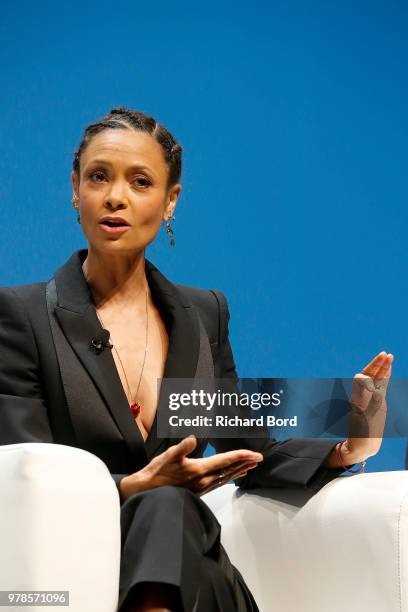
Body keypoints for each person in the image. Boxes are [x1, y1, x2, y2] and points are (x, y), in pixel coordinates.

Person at [0, 107, 393, 612]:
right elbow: (23, 474)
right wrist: (133, 487)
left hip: (196, 577)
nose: (116, 196)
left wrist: (348, 446)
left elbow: (251, 449)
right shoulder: (23, 316)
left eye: (140, 182)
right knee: (162, 502)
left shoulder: (202, 316)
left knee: (169, 509)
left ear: (169, 203)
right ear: (75, 188)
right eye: (99, 177)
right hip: (81, 565)